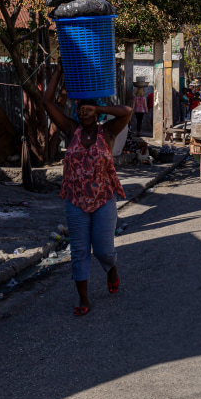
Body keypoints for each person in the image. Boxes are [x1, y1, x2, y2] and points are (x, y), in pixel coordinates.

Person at [43, 63, 132, 317]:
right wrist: (60, 71)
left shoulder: (108, 132)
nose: (82, 112)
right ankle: (84, 299)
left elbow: (126, 111)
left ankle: (111, 268)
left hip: (103, 199)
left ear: (95, 112)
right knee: (79, 251)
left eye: (87, 109)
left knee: (103, 249)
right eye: (79, 109)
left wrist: (100, 107)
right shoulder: (71, 130)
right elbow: (47, 102)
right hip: (75, 201)